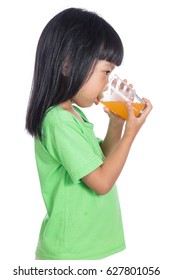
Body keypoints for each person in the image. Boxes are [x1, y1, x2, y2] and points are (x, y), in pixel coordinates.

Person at [25, 7, 152, 260]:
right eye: (106, 72)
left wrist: (116, 125)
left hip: (84, 251)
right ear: (68, 64)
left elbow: (99, 166)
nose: (108, 83)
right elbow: (102, 183)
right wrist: (130, 135)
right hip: (70, 254)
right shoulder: (58, 121)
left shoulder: (73, 116)